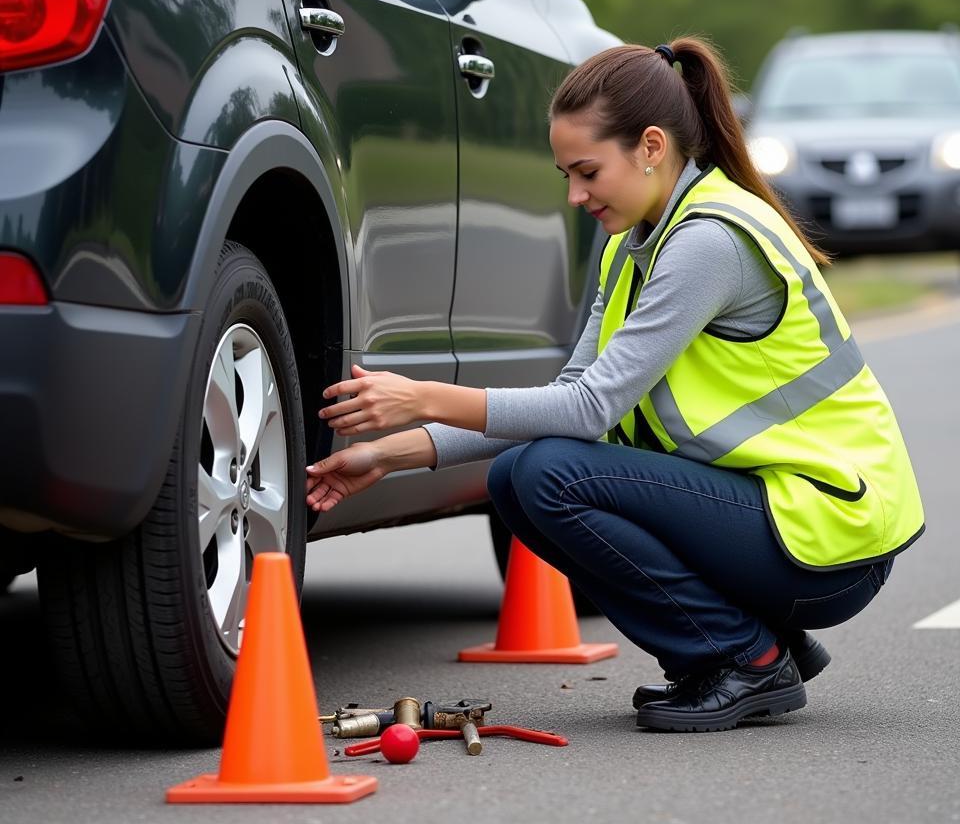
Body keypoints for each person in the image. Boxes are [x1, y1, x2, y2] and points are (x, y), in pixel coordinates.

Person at [305, 37, 925, 733]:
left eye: (587, 172)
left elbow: (587, 409)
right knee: (517, 477)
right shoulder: (633, 245)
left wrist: (421, 397)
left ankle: (742, 657)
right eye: (566, 175)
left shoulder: (707, 242)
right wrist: (392, 453)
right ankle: (746, 640)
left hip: (830, 536)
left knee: (546, 477)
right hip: (778, 520)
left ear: (651, 147)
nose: (575, 195)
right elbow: (569, 399)